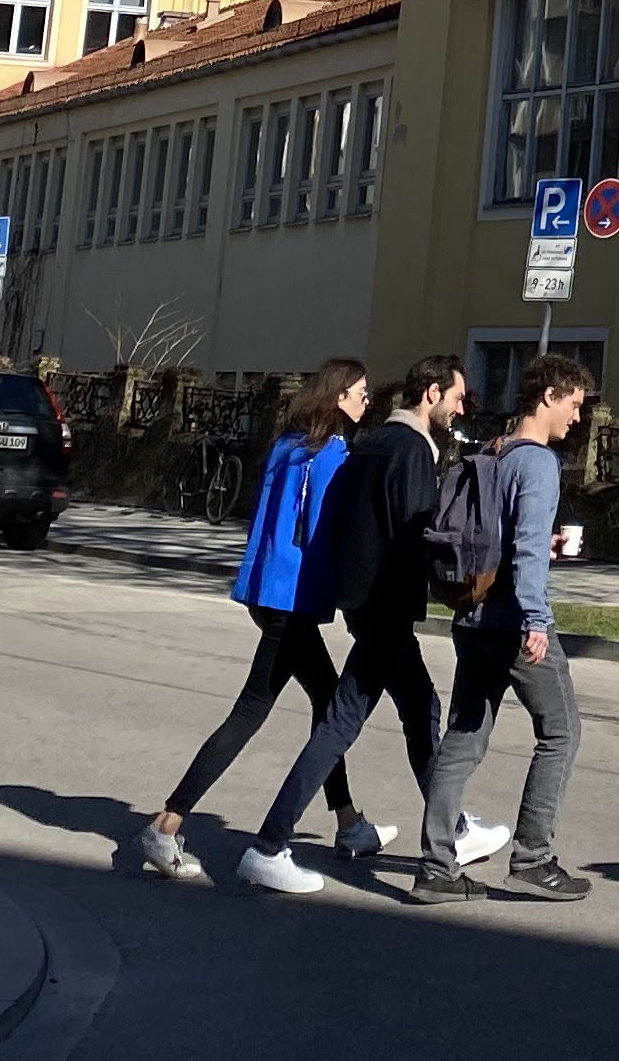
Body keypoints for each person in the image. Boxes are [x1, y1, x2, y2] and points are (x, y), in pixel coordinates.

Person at [132, 357, 383, 880]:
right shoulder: (333, 454)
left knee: (326, 704)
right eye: (361, 391)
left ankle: (349, 821)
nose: (367, 400)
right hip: (292, 601)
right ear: (338, 396)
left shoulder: (287, 446)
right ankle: (166, 825)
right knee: (254, 713)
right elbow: (322, 533)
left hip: (265, 591)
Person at [241, 355, 467, 894]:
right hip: (387, 605)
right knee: (341, 722)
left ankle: (452, 829)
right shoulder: (412, 450)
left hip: (364, 602)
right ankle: (268, 844)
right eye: (458, 396)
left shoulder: (370, 445)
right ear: (431, 393)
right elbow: (418, 535)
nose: (462, 408)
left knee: (421, 707)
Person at [413, 352, 595, 904]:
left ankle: (436, 867)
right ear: (549, 397)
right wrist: (538, 620)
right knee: (561, 732)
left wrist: (546, 546)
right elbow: (526, 554)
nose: (578, 418)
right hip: (516, 623)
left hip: (473, 616)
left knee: (463, 740)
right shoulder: (538, 463)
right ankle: (534, 858)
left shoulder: (492, 451)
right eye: (575, 404)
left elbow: (505, 538)